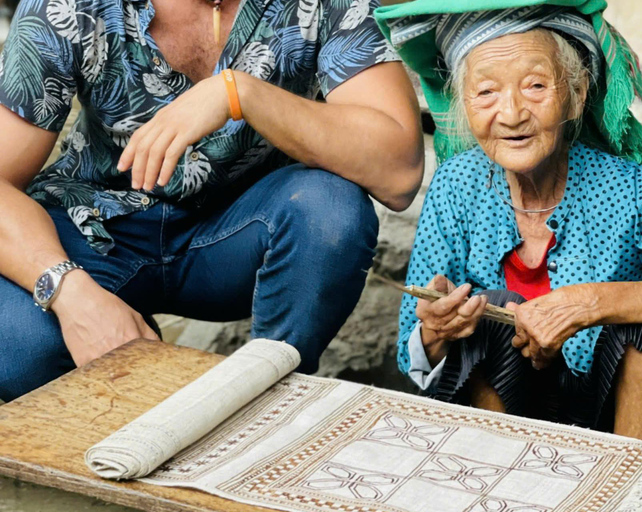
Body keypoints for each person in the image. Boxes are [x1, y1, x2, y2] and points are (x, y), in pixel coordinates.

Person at [374, 0, 642, 443]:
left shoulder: (624, 188)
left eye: (536, 85)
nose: (511, 113)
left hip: (609, 416)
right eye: (486, 92)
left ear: (576, 95)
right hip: (501, 416)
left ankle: (632, 493)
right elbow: (414, 346)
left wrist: (594, 303)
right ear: (465, 105)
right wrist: (437, 330)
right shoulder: (457, 184)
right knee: (489, 311)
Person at [0, 0, 424, 402]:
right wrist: (71, 295)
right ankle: (143, 421)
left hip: (243, 232)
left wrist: (240, 94)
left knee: (331, 209)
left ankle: (266, 401)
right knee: (23, 348)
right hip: (94, 230)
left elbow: (399, 172)